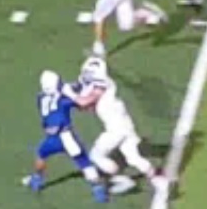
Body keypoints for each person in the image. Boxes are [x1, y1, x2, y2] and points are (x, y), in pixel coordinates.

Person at [70, 57, 167, 196]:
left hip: (116, 129)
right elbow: (84, 99)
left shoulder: (101, 86)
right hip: (125, 125)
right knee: (132, 157)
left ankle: (120, 179)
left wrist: (66, 93)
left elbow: (84, 103)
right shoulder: (98, 84)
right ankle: (159, 180)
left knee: (95, 155)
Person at [24, 70, 108, 202]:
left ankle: (36, 179)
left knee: (41, 154)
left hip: (51, 137)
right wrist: (86, 89)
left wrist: (75, 86)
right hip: (66, 136)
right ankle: (98, 190)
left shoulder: (40, 98)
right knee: (84, 161)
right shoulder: (63, 99)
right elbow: (82, 104)